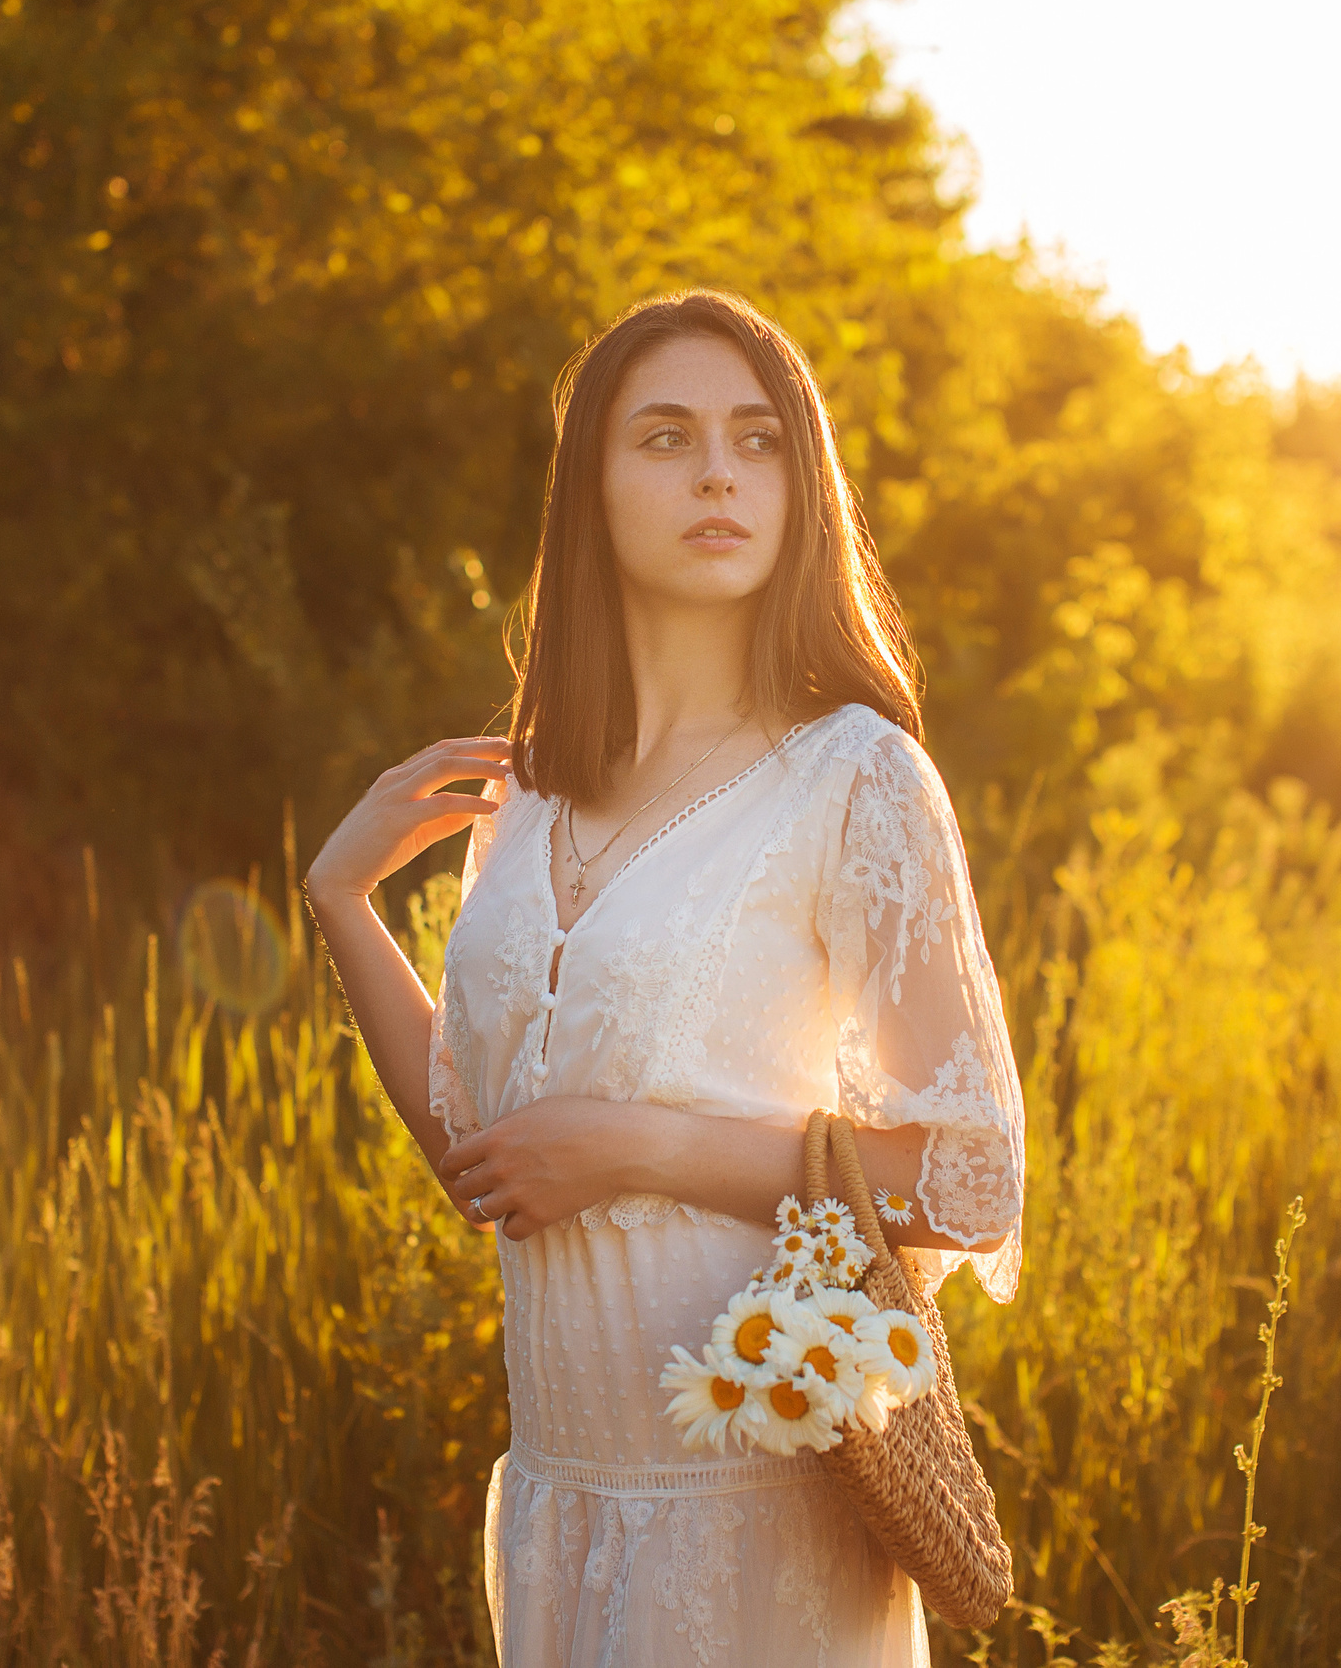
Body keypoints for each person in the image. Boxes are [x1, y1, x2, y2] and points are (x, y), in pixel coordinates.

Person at [303, 289, 1026, 1666]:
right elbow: (481, 1154)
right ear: (590, 490)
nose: (718, 473)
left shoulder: (854, 774)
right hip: (568, 1510)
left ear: (801, 488)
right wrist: (342, 901)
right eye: (668, 438)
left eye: (760, 441)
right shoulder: (532, 799)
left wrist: (643, 1144)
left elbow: (971, 1179)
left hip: (762, 1516)